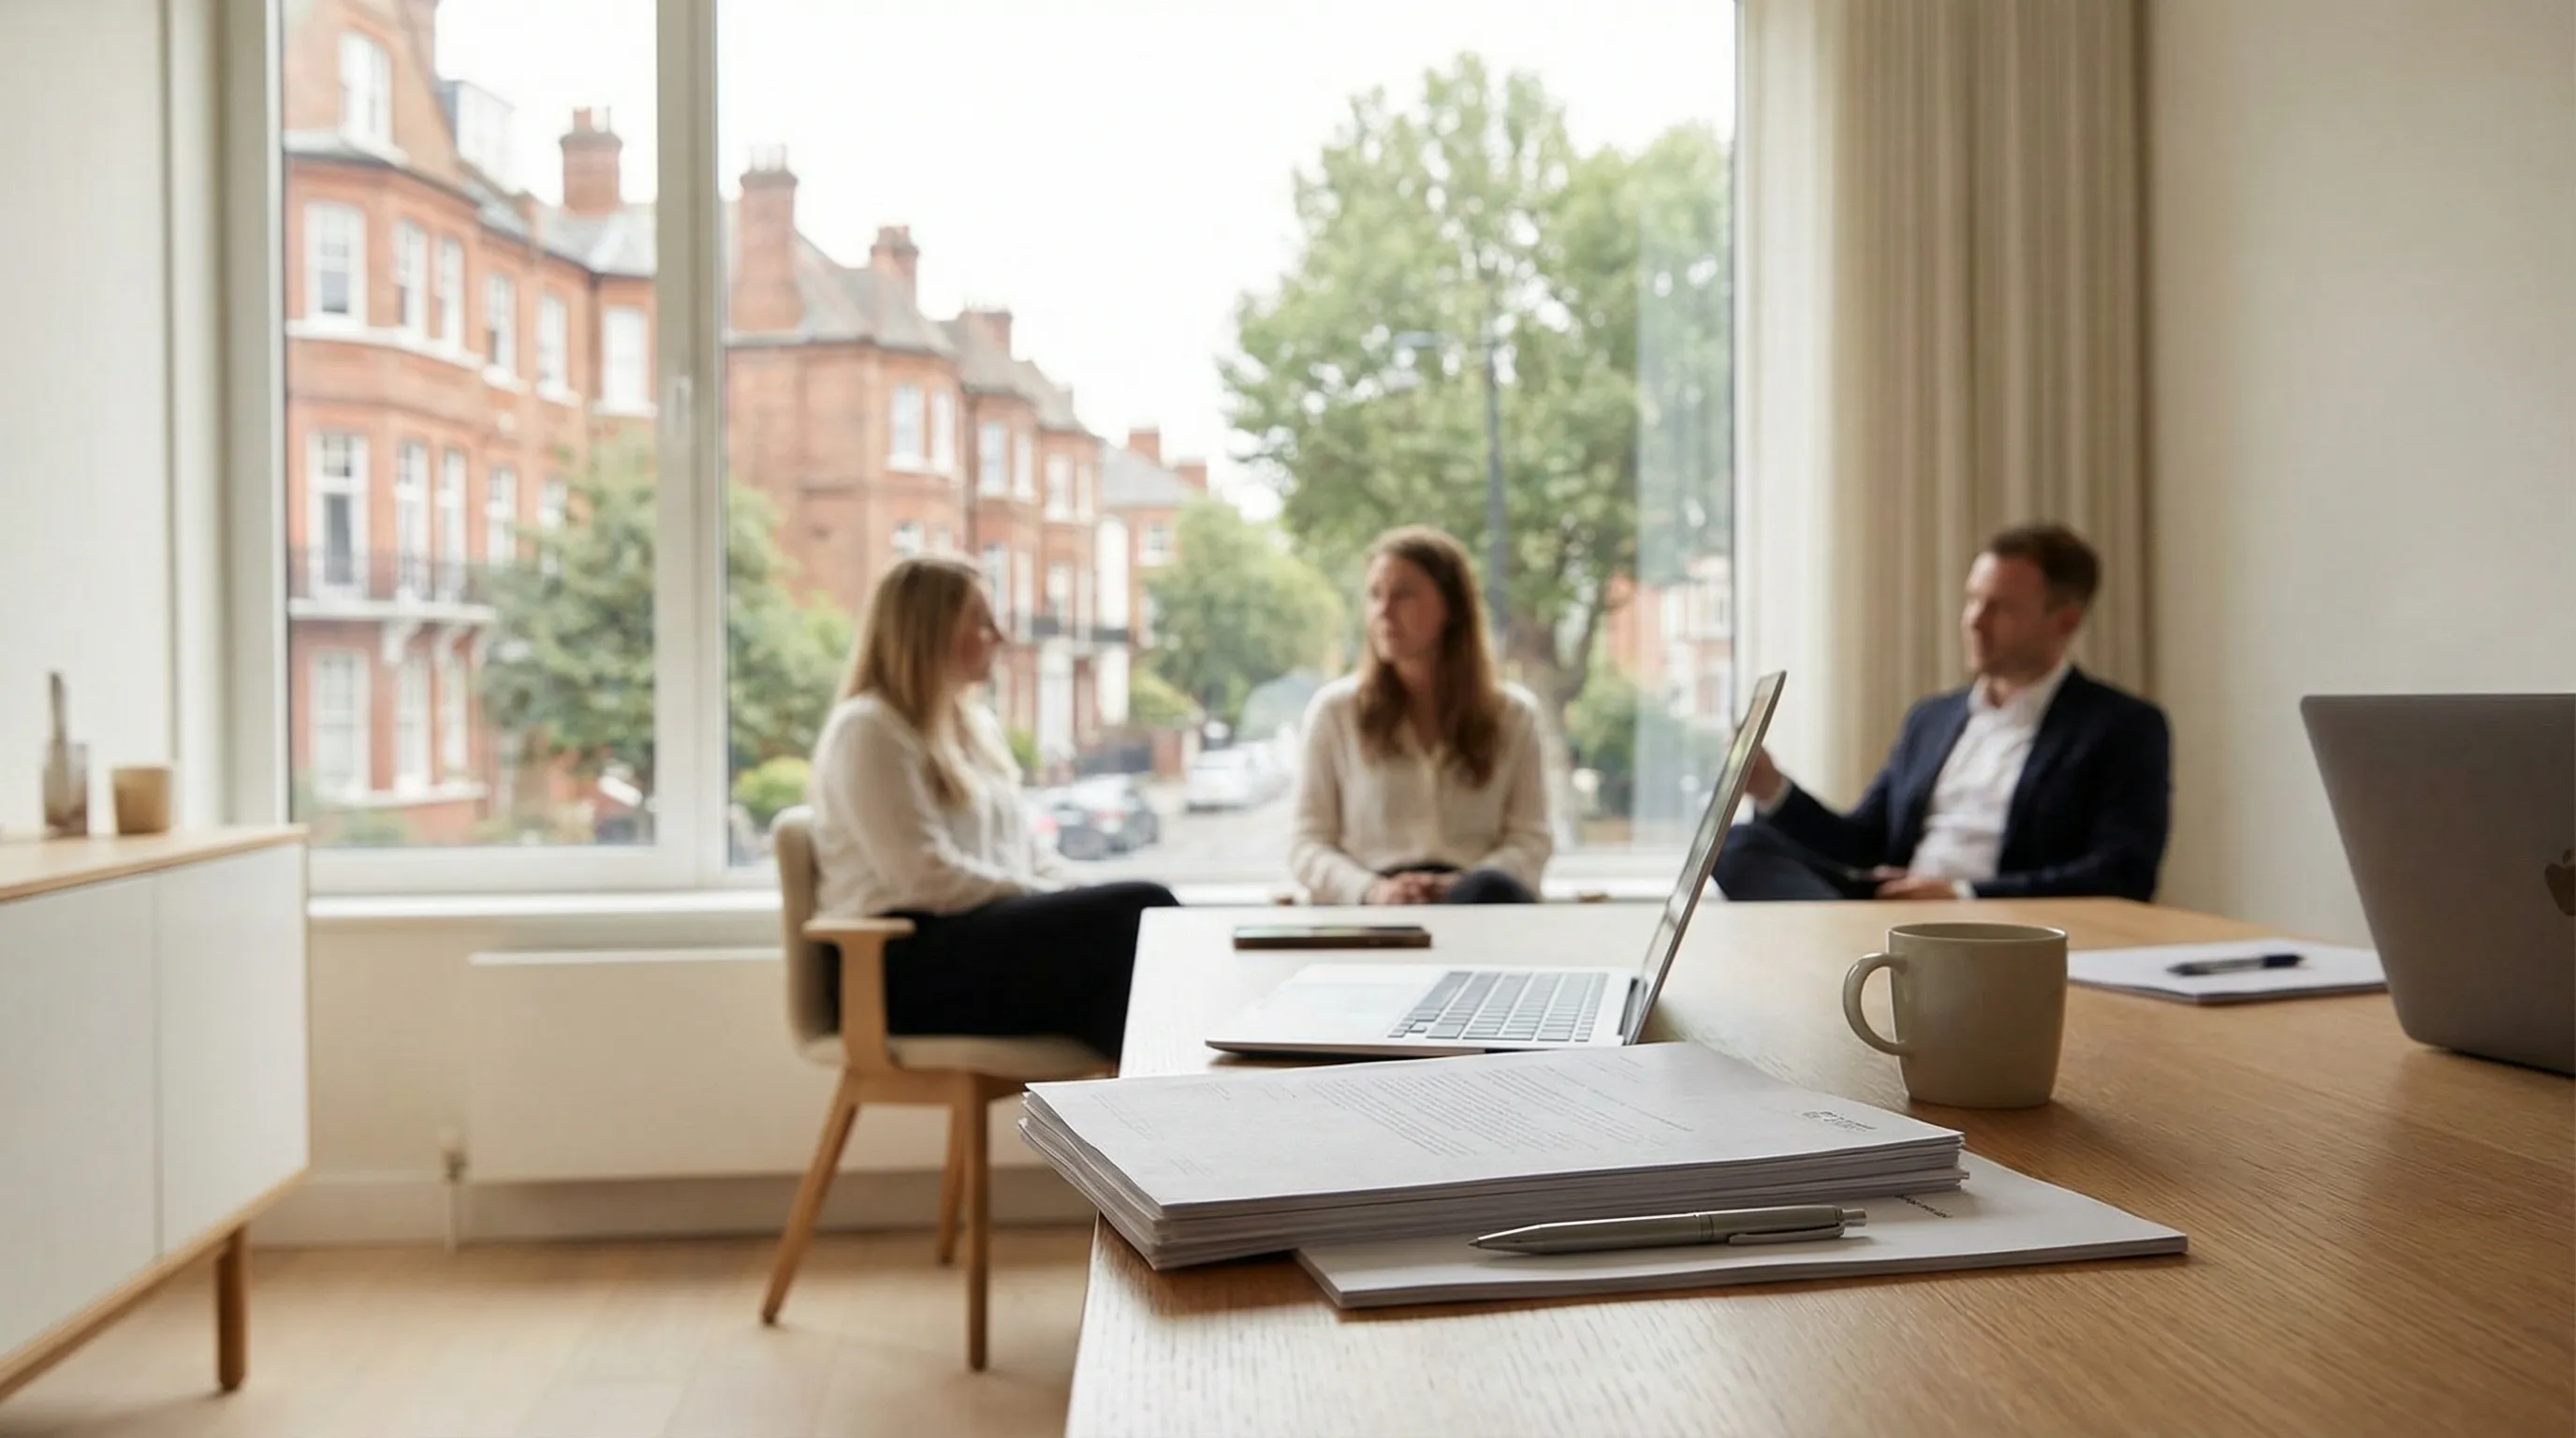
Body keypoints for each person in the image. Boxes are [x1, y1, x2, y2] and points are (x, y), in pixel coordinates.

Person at [807, 555, 1176, 1061]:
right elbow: (922, 878)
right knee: (1140, 909)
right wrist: (1045, 897)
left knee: (1132, 977)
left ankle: (1154, 1120)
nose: (1000, 636)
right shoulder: (869, 729)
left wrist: (1074, 892)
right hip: (901, 963)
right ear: (929, 630)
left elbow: (1028, 854)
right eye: (981, 621)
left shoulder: (975, 729)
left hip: (982, 940)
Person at [1715, 523, 2171, 902]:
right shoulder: (1931, 720)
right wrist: (1771, 787)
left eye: (1999, 607)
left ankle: (1848, 941)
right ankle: (1852, 936)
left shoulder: (2120, 727)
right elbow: (1863, 843)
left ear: (2065, 621)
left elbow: (2122, 874)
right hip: (1894, 904)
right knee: (1737, 845)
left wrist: (1963, 893)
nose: (1974, 619)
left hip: (1999, 927)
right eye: (1973, 599)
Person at [1290, 527, 1554, 905]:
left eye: (1403, 595)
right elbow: (1307, 844)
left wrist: (1460, 886)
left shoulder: (1514, 716)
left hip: (1480, 904)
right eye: (1375, 595)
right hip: (1375, 912)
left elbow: (1531, 840)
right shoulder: (1335, 712)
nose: (1383, 611)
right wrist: (1373, 892)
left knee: (1485, 891)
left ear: (1451, 607)